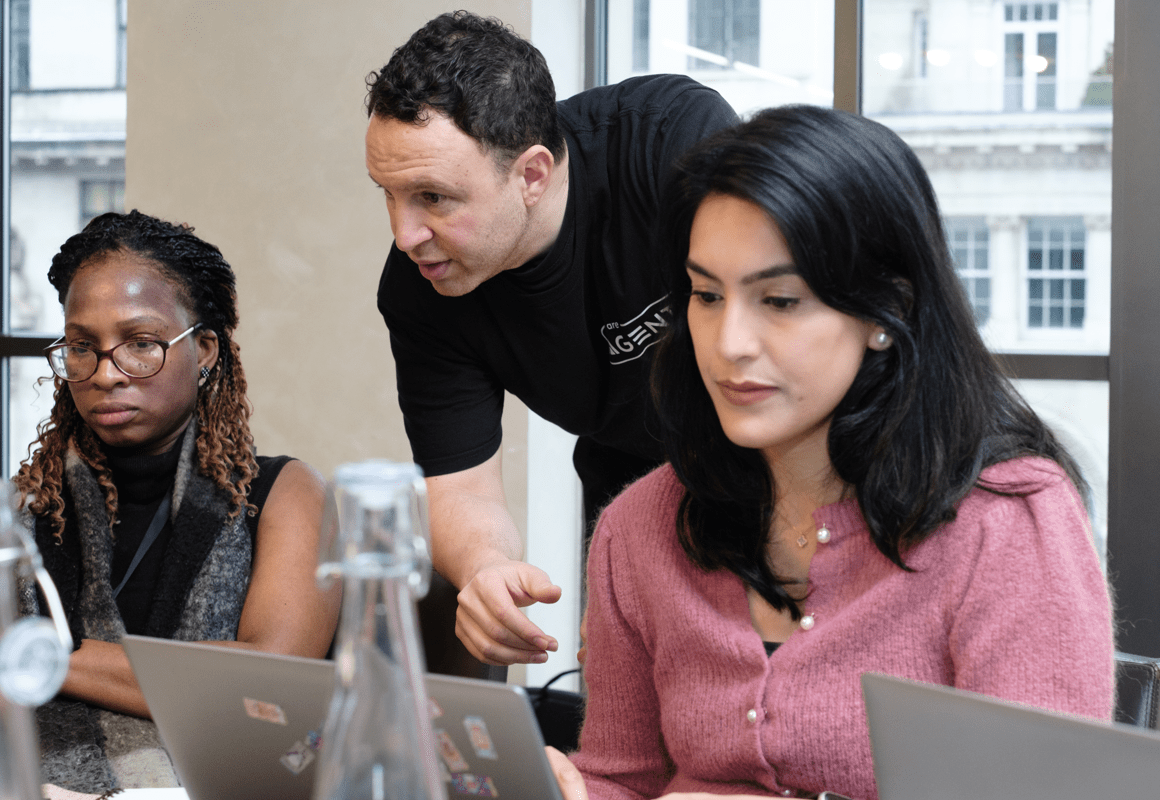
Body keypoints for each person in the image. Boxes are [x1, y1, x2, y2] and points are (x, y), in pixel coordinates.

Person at [545, 106, 1115, 800]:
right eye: (706, 295)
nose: (729, 344)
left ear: (884, 311)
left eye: (780, 301)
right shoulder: (640, 527)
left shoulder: (1008, 521)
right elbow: (624, 780)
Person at [367, 11, 739, 667]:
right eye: (388, 195)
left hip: (776, 460)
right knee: (630, 704)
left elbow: (784, 335)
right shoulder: (421, 288)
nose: (405, 234)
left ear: (532, 175)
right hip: (629, 479)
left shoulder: (669, 145)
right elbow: (462, 487)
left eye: (433, 197)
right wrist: (486, 569)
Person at [15, 210, 342, 793]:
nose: (106, 374)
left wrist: (36, 657)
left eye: (141, 344)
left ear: (205, 349)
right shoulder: (24, 507)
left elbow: (272, 679)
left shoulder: (284, 494)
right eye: (83, 346)